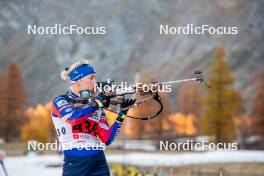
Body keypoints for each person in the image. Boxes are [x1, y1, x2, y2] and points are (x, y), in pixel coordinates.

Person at [51, 59, 135, 176]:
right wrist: (96, 103)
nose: (95, 82)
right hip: (75, 162)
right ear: (77, 80)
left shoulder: (95, 105)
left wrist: (122, 113)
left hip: (98, 162)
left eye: (95, 78)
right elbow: (73, 119)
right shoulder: (60, 101)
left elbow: (107, 139)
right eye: (91, 78)